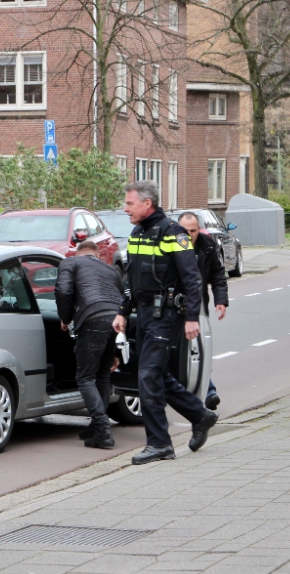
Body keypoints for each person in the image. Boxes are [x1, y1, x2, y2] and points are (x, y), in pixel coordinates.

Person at [112, 181, 218, 464]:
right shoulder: (137, 233)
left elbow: (192, 278)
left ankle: (160, 443)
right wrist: (123, 311)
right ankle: (200, 415)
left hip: (166, 315)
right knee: (156, 375)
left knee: (147, 377)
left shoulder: (173, 233)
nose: (125, 209)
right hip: (144, 315)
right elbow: (130, 279)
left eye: (130, 204)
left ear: (148, 204)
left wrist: (192, 317)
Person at [54, 240, 125, 449]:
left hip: (92, 319)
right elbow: (122, 298)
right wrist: (115, 350)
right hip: (115, 321)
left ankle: (102, 429)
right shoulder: (110, 269)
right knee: (103, 374)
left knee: (85, 377)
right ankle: (96, 427)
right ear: (98, 255)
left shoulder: (71, 263)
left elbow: (63, 291)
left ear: (78, 253)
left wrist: (66, 318)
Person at [177, 211, 229, 410]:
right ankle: (202, 391)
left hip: (198, 306)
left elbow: (217, 274)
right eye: (185, 231)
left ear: (199, 229)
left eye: (193, 230)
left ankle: (208, 391)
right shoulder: (170, 244)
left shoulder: (207, 246)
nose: (189, 235)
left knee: (199, 349)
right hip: (174, 306)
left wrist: (221, 300)